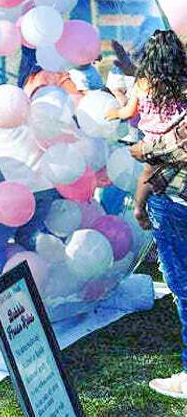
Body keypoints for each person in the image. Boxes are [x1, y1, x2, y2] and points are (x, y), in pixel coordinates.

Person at [105, 29, 187, 398]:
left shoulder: (144, 86)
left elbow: (162, 146)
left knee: (183, 286)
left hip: (169, 194)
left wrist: (144, 143)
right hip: (170, 184)